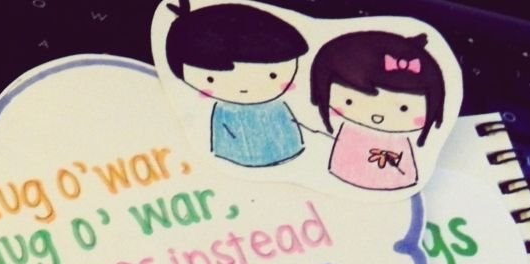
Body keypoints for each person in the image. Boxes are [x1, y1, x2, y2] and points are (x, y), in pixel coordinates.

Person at [165, 1, 309, 168]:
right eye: (211, 79)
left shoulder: (276, 108)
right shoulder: (225, 112)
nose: (244, 87)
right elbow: (223, 145)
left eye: (272, 75)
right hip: (233, 162)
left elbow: (288, 131)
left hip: (289, 156)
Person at [309, 31, 446, 191]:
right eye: (349, 101)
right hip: (336, 177)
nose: (377, 116)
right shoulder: (342, 138)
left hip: (395, 186)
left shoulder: (398, 142)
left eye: (403, 108)